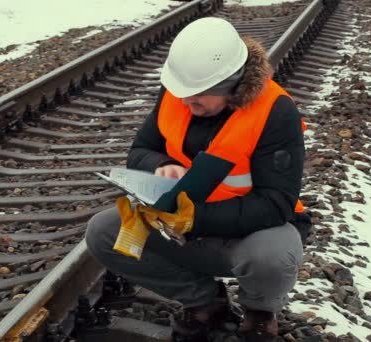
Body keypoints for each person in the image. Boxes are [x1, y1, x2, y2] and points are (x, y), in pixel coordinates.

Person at [86, 17, 308, 342]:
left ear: (232, 83)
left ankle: (259, 312)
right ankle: (206, 301)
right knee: (105, 232)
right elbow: (140, 150)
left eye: (199, 97)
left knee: (272, 257)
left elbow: (276, 203)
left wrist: (194, 219)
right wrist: (162, 164)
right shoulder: (179, 93)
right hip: (181, 226)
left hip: (248, 234)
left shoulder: (276, 113)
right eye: (184, 95)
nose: (189, 104)